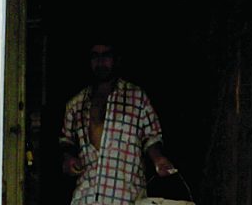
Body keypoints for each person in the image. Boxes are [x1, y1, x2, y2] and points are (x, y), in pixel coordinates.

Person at [59, 41, 177, 205]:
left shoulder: (136, 97)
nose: (100, 62)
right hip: (86, 197)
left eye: (106, 55)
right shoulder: (75, 104)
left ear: (117, 59)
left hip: (125, 196)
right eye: (95, 56)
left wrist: (158, 159)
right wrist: (68, 158)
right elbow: (67, 141)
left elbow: (151, 137)